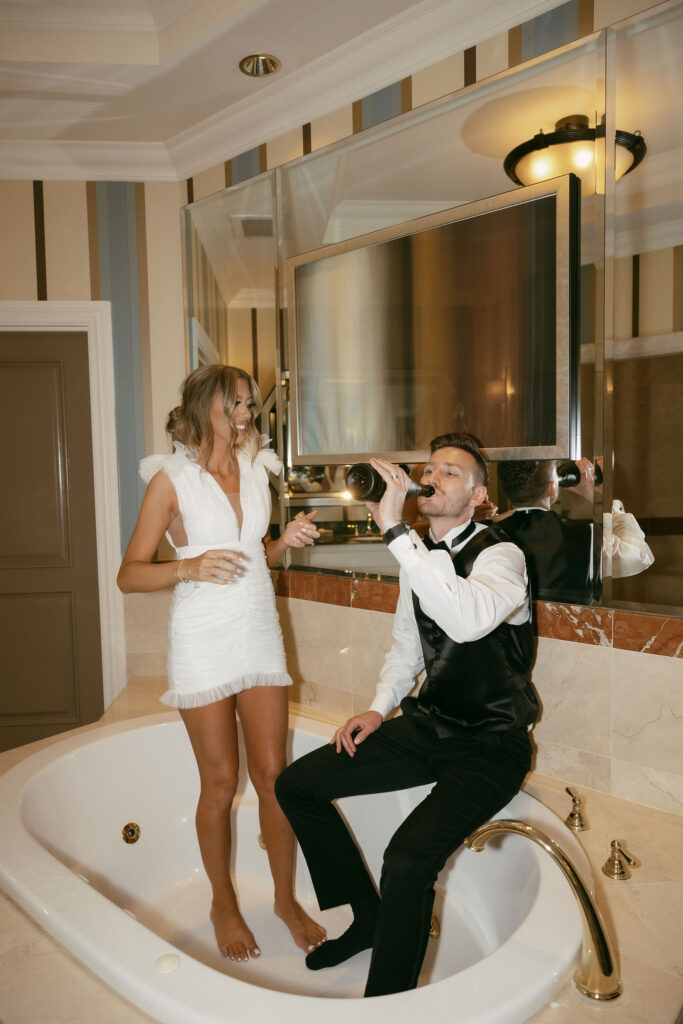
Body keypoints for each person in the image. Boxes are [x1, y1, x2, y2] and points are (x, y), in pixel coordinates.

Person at [275, 432, 538, 998]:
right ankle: (368, 920)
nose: (434, 477)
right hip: (428, 726)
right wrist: (377, 709)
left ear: (478, 496)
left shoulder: (503, 555)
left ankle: (387, 1004)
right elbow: (407, 646)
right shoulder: (415, 556)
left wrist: (397, 532)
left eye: (451, 471)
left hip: (493, 743)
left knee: (407, 858)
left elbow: (467, 621)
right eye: (431, 469)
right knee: (297, 784)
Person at [117, 364, 326, 964]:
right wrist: (187, 566)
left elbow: (249, 553)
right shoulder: (171, 479)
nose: (247, 413)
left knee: (275, 777)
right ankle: (222, 902)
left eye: (251, 404)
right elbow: (129, 574)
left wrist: (284, 545)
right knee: (219, 783)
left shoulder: (258, 468)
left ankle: (285, 900)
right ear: (205, 403)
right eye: (237, 401)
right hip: (203, 636)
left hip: (258, 628)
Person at [495, 458, 653, 604]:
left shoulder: (489, 531)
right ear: (552, 488)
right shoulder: (583, 536)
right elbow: (639, 556)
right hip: (566, 634)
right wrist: (600, 497)